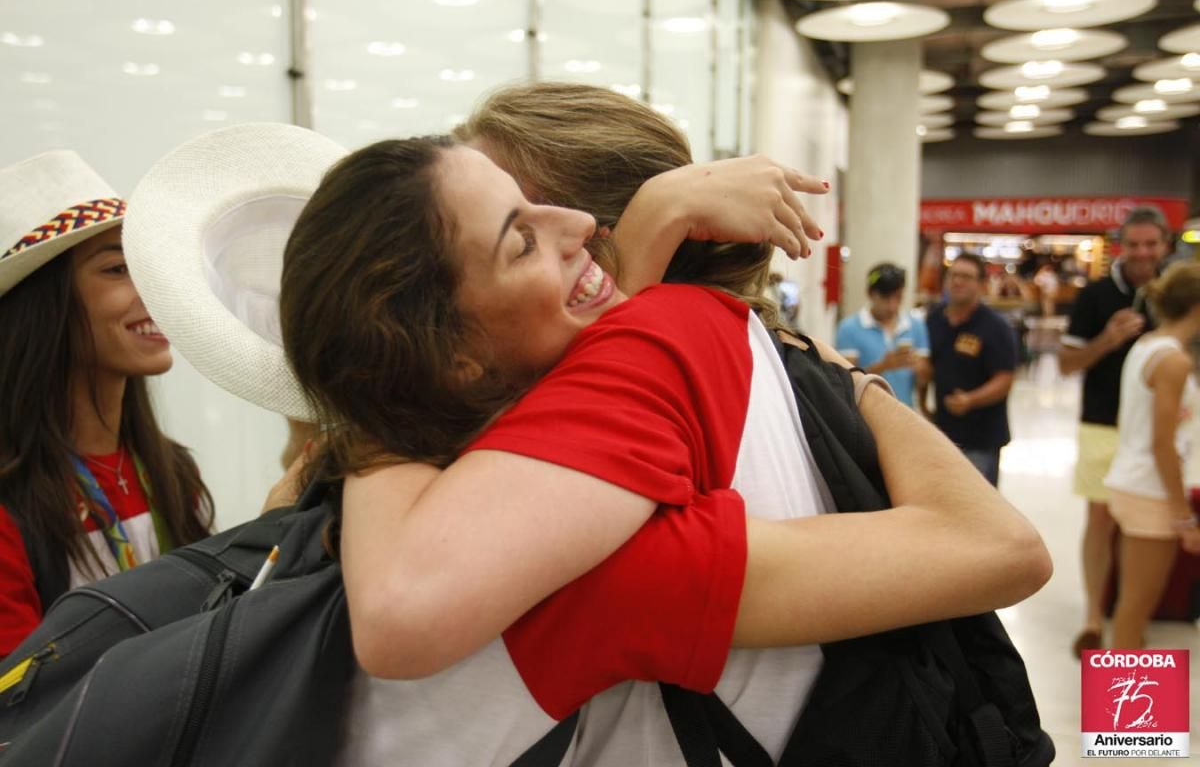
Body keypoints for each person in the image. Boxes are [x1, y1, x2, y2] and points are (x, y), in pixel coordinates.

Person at [275, 115, 1049, 761]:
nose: (582, 230)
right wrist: (855, 387)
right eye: (520, 237)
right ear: (452, 356)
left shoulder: (380, 484)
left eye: (544, 206)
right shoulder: (596, 547)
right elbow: (1002, 548)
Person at [0, 151, 214, 657]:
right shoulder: (12, 501)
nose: (153, 291)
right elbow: (20, 705)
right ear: (44, 308)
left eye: (147, 267)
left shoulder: (169, 472)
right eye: (118, 269)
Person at [1059, 206, 1170, 658]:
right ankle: (1094, 616)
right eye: (1135, 244)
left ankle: (1129, 616)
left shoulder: (1177, 295)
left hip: (1161, 432)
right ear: (1122, 246)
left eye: (1151, 244)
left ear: (1165, 245)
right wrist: (1108, 338)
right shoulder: (1096, 295)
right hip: (1103, 424)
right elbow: (1067, 364)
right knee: (1102, 520)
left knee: (1142, 527)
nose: (1143, 253)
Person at [1103, 261, 1200, 650]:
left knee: (1133, 607)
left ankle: (1130, 708)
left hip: (1134, 483)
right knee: (1135, 610)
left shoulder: (1148, 346)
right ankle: (1123, 711)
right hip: (1151, 491)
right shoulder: (1174, 360)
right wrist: (1183, 516)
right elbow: (1163, 444)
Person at [923, 253, 1018, 486]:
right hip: (942, 434)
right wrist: (924, 403)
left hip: (981, 439)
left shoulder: (996, 327)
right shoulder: (934, 319)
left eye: (966, 277)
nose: (958, 281)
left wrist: (970, 400)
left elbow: (1005, 379)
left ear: (981, 285)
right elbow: (927, 364)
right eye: (954, 275)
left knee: (978, 509)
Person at [835, 262, 930, 408]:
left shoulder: (916, 326)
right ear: (870, 294)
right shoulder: (849, 328)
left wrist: (920, 368)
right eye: (885, 298)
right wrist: (883, 366)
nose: (892, 306)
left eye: (898, 297)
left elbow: (924, 381)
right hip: (865, 414)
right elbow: (846, 381)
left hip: (905, 411)